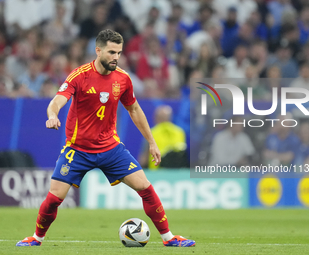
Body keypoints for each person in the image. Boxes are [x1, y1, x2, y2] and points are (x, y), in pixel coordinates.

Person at [16, 29, 195, 248]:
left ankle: (169, 238)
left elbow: (135, 109)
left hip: (111, 148)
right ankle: (36, 238)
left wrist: (151, 141)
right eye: (111, 52)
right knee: (55, 197)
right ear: (98, 50)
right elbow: (57, 100)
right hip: (78, 150)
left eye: (119, 53)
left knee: (146, 188)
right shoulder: (79, 75)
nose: (116, 57)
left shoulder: (123, 78)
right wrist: (52, 115)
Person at [139, 105, 187, 170]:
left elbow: (144, 159)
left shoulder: (151, 133)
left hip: (156, 173)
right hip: (176, 173)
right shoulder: (180, 132)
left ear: (156, 118)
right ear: (170, 118)